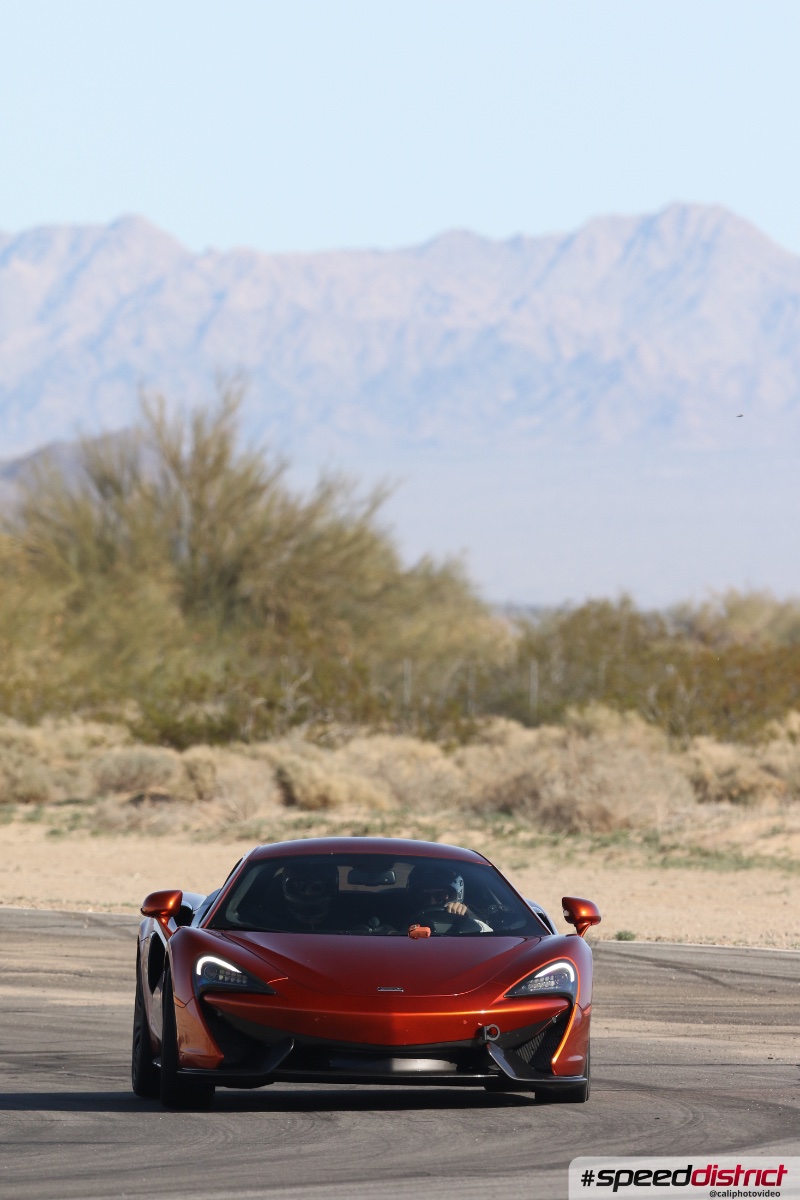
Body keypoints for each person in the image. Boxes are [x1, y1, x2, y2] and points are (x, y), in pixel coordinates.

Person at [403, 863, 491, 933]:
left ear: (455, 894)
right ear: (414, 895)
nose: (432, 901)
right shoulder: (400, 914)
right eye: (424, 895)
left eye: (440, 895)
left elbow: (488, 935)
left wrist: (467, 917)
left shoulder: (469, 916)